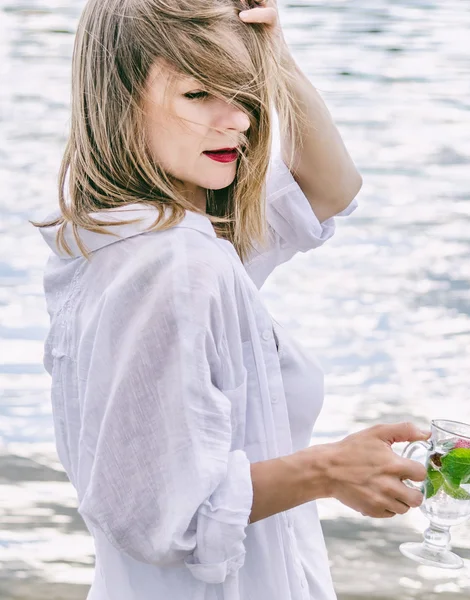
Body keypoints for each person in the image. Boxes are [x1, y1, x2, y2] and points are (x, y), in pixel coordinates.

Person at [31, 0, 431, 599]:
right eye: (198, 94)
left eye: (243, 91)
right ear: (118, 100)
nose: (238, 121)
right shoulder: (174, 262)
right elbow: (156, 513)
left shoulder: (137, 235)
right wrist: (328, 469)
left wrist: (273, 51)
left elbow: (331, 189)